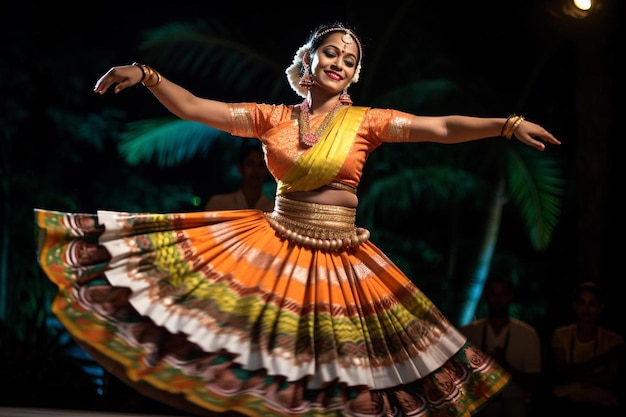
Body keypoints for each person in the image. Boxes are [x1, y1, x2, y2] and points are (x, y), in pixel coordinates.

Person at [35, 22, 560, 417]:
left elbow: (442, 127)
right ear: (307, 62)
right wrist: (149, 75)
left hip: (342, 256)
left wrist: (507, 125)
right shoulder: (273, 118)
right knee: (266, 365)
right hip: (277, 243)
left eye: (350, 59)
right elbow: (197, 108)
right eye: (330, 52)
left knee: (339, 377)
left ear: (354, 74)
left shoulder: (368, 122)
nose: (340, 61)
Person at [460, 276, 542, 417]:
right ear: (487, 296)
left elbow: (534, 383)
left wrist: (505, 366)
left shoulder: (527, 334)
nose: (498, 299)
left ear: (510, 297)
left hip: (515, 401)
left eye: (503, 294)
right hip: (478, 402)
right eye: (493, 294)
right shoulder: (468, 332)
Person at [549, 281, 624, 413]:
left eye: (592, 303)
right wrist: (603, 360)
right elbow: (560, 370)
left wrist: (575, 376)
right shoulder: (561, 334)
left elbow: (610, 378)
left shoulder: (613, 339)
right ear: (575, 306)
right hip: (567, 400)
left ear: (600, 308)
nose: (587, 308)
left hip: (601, 402)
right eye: (582, 303)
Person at [205, 144, 274, 211]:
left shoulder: (273, 209)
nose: (256, 170)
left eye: (261, 165)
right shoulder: (219, 204)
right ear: (240, 167)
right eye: (250, 164)